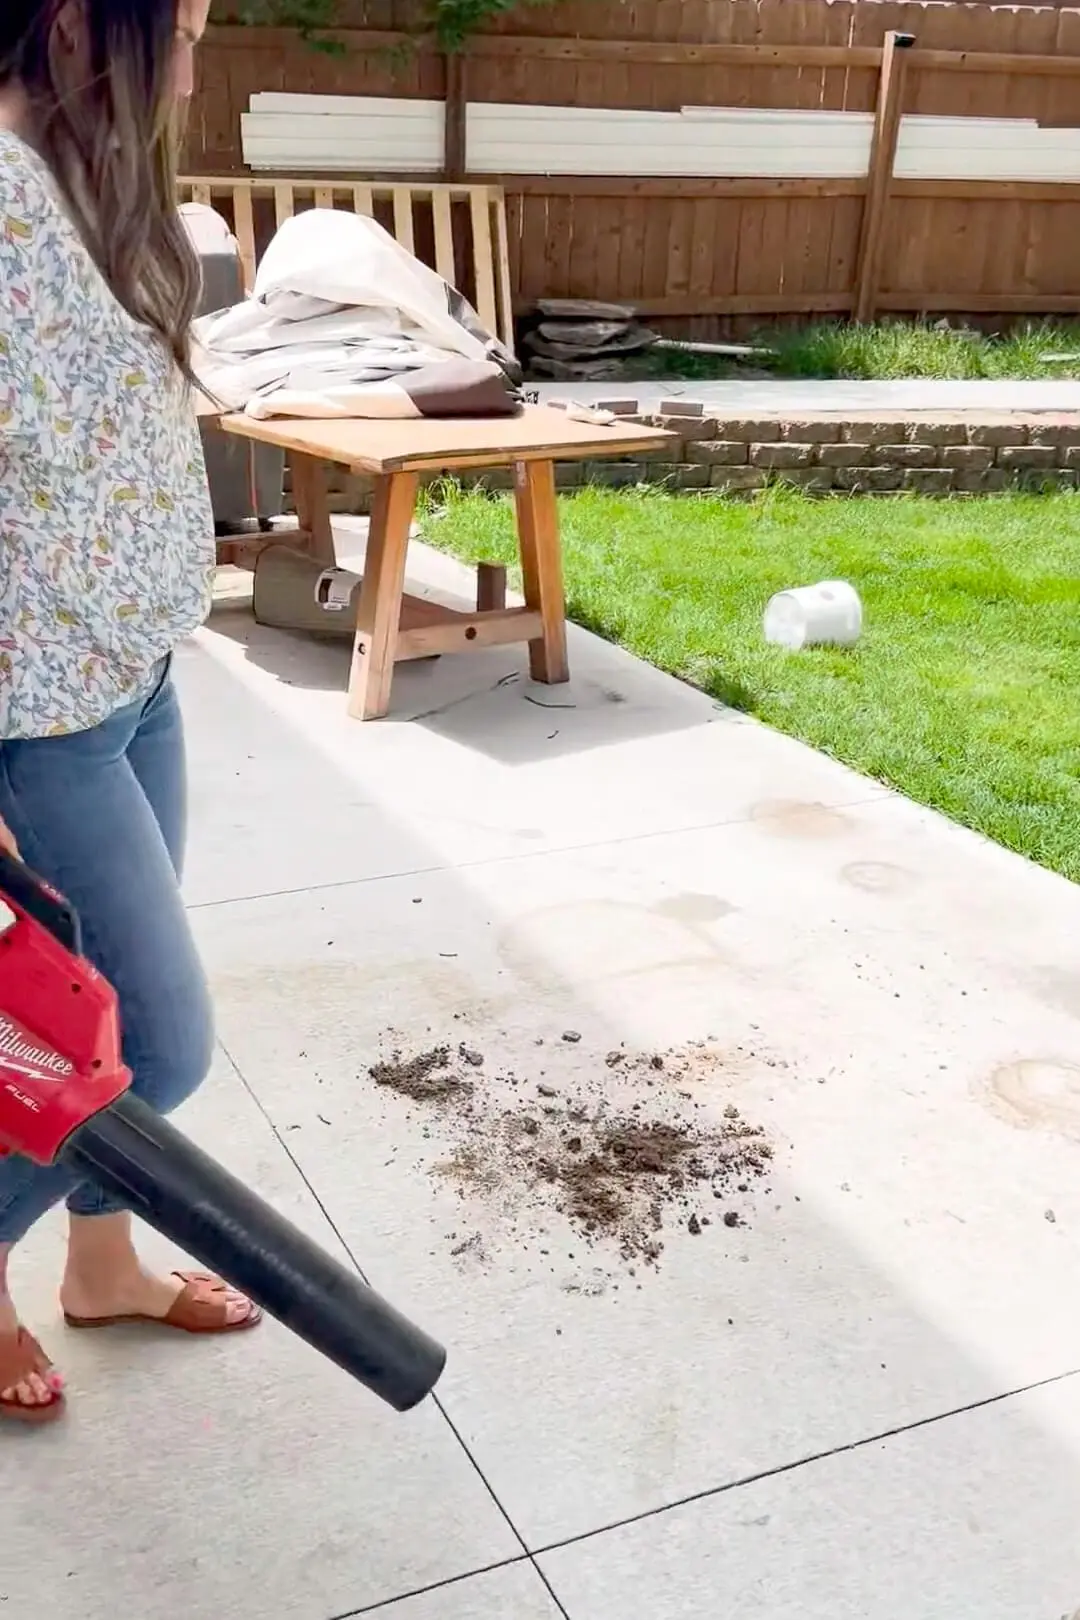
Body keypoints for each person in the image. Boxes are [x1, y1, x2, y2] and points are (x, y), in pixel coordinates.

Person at [0, 0, 261, 1426]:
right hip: (38, 724)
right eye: (186, 28)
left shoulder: (78, 172)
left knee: (78, 1027)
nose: (196, 58)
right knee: (156, 1045)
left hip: (132, 678)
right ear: (74, 22)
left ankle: (100, 1267)